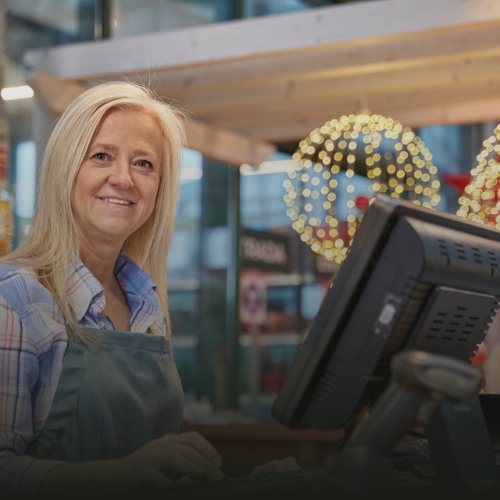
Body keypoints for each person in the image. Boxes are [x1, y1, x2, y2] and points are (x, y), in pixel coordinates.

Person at [0, 82, 298, 498]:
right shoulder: (15, 301)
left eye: (144, 164)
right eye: (101, 156)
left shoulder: (145, 307)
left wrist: (246, 484)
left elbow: (156, 468)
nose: (123, 179)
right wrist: (117, 477)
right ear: (64, 169)